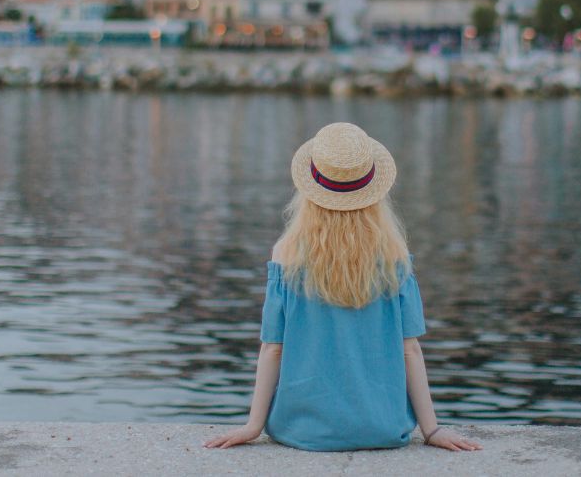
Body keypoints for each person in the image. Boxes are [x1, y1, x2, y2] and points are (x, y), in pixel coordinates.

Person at [204, 122, 482, 453]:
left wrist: (253, 425)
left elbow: (272, 349)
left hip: (302, 429)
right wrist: (432, 429)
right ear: (374, 193)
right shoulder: (394, 258)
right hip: (384, 427)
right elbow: (410, 350)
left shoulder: (286, 255)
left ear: (309, 191)